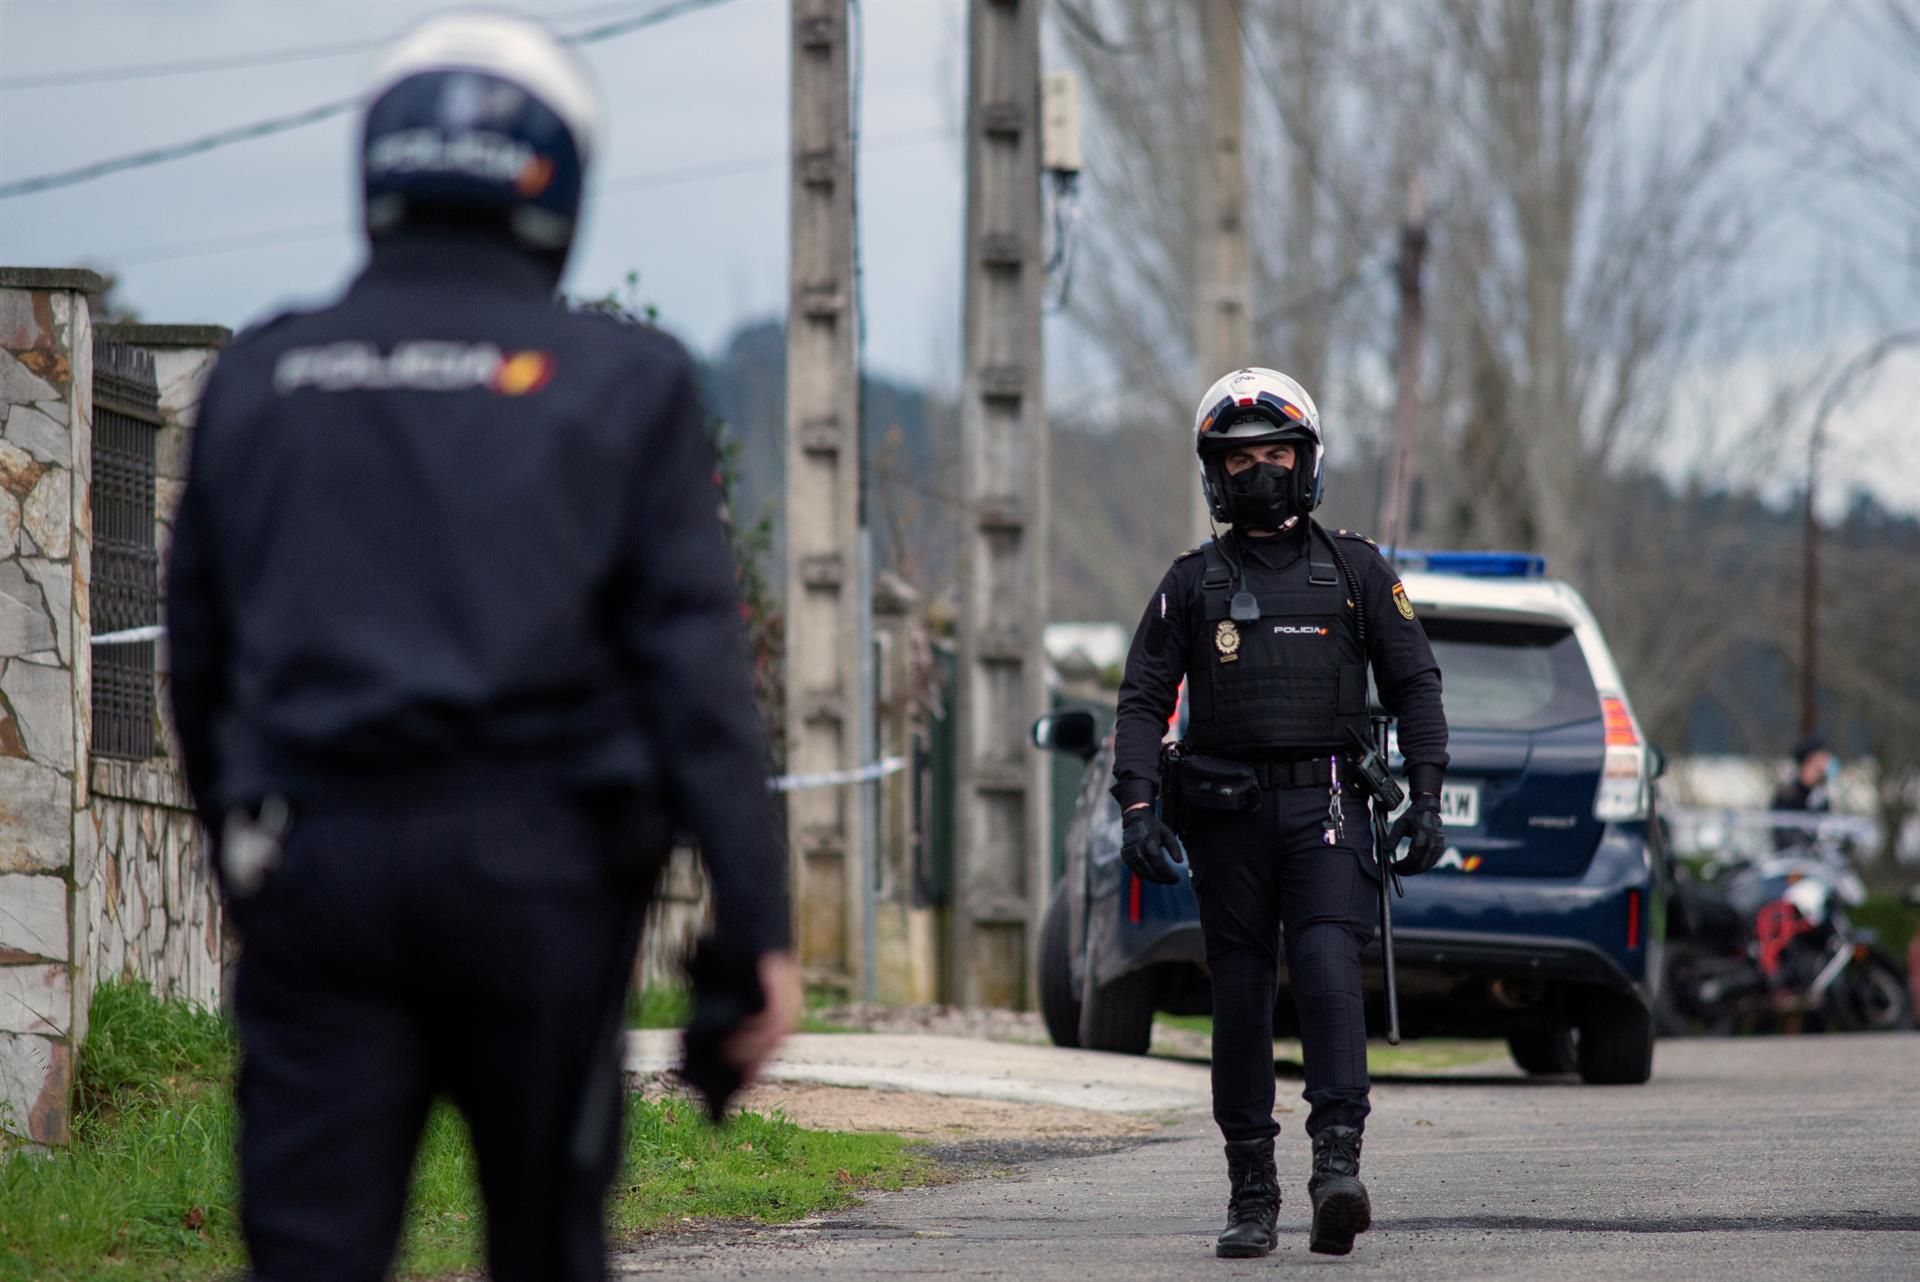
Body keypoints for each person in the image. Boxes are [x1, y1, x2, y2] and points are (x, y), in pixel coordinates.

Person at [164, 14, 797, 1281]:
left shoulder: (267, 374)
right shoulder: (625, 380)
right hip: (544, 884)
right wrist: (755, 930)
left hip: (322, 868)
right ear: (557, 180)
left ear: (379, 168)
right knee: (547, 1236)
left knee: (308, 1248)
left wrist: (252, 852)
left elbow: (198, 654)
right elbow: (696, 674)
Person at [1110, 367, 1449, 1259]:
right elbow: (1143, 699)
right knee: (1242, 995)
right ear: (1213, 474)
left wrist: (1429, 796)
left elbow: (1415, 682)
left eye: (1276, 454)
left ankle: (1337, 1170)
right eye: (1240, 459)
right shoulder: (1190, 584)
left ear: (1308, 461)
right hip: (1225, 815)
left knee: (1331, 973)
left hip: (1329, 801)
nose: (1259, 471)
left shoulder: (1358, 570)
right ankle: (1251, 1194)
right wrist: (1138, 809)